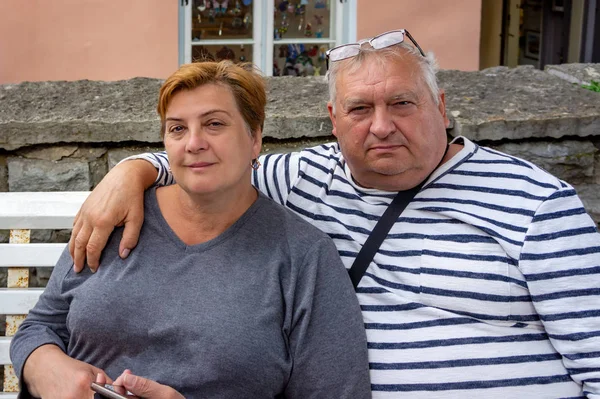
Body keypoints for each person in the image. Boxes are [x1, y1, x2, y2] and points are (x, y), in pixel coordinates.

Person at [68, 29, 600, 398]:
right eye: (360, 109)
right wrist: (132, 171)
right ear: (334, 120)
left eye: (403, 103)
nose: (382, 126)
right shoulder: (306, 175)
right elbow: (208, 158)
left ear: (441, 105)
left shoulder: (534, 203)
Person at [9, 61, 371, 399]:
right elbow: (41, 325)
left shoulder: (302, 256)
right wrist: (46, 367)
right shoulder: (115, 218)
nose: (194, 143)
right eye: (177, 128)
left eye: (214, 124)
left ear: (255, 138)